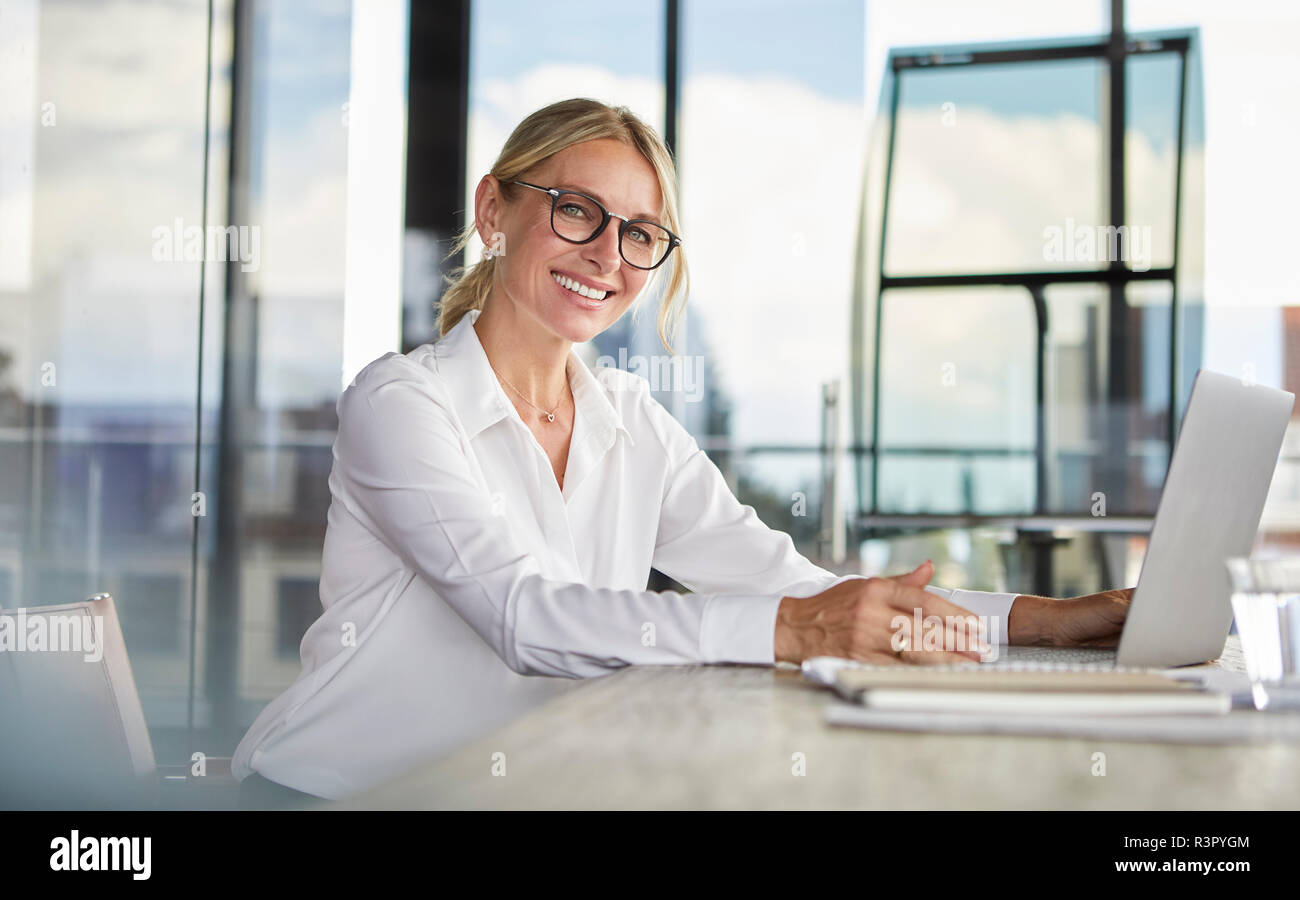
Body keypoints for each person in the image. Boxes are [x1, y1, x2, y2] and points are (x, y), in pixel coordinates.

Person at [231, 97, 1132, 803]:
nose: (608, 256)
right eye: (576, 210)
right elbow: (522, 615)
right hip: (332, 795)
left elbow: (790, 582)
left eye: (640, 233)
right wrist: (792, 632)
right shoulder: (401, 402)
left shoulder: (630, 422)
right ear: (493, 210)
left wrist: (1040, 621)